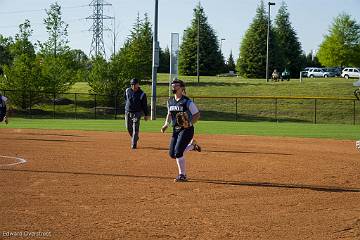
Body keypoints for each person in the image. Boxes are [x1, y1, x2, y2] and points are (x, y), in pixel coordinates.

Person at [161, 79, 201, 182]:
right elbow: (169, 114)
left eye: (176, 85)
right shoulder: (170, 101)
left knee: (178, 152)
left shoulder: (187, 101)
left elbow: (197, 114)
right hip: (175, 130)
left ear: (182, 88)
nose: (173, 87)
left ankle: (182, 175)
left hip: (187, 130)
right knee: (172, 154)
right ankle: (192, 146)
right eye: (172, 85)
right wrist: (166, 124)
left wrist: (190, 123)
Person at [124, 78, 149, 149]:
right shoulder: (127, 91)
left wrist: (146, 115)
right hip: (128, 112)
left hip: (137, 113)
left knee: (135, 128)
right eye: (132, 84)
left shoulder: (142, 94)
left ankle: (134, 144)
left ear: (138, 84)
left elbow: (144, 105)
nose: (133, 86)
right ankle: (135, 137)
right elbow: (126, 99)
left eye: (135, 84)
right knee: (128, 128)